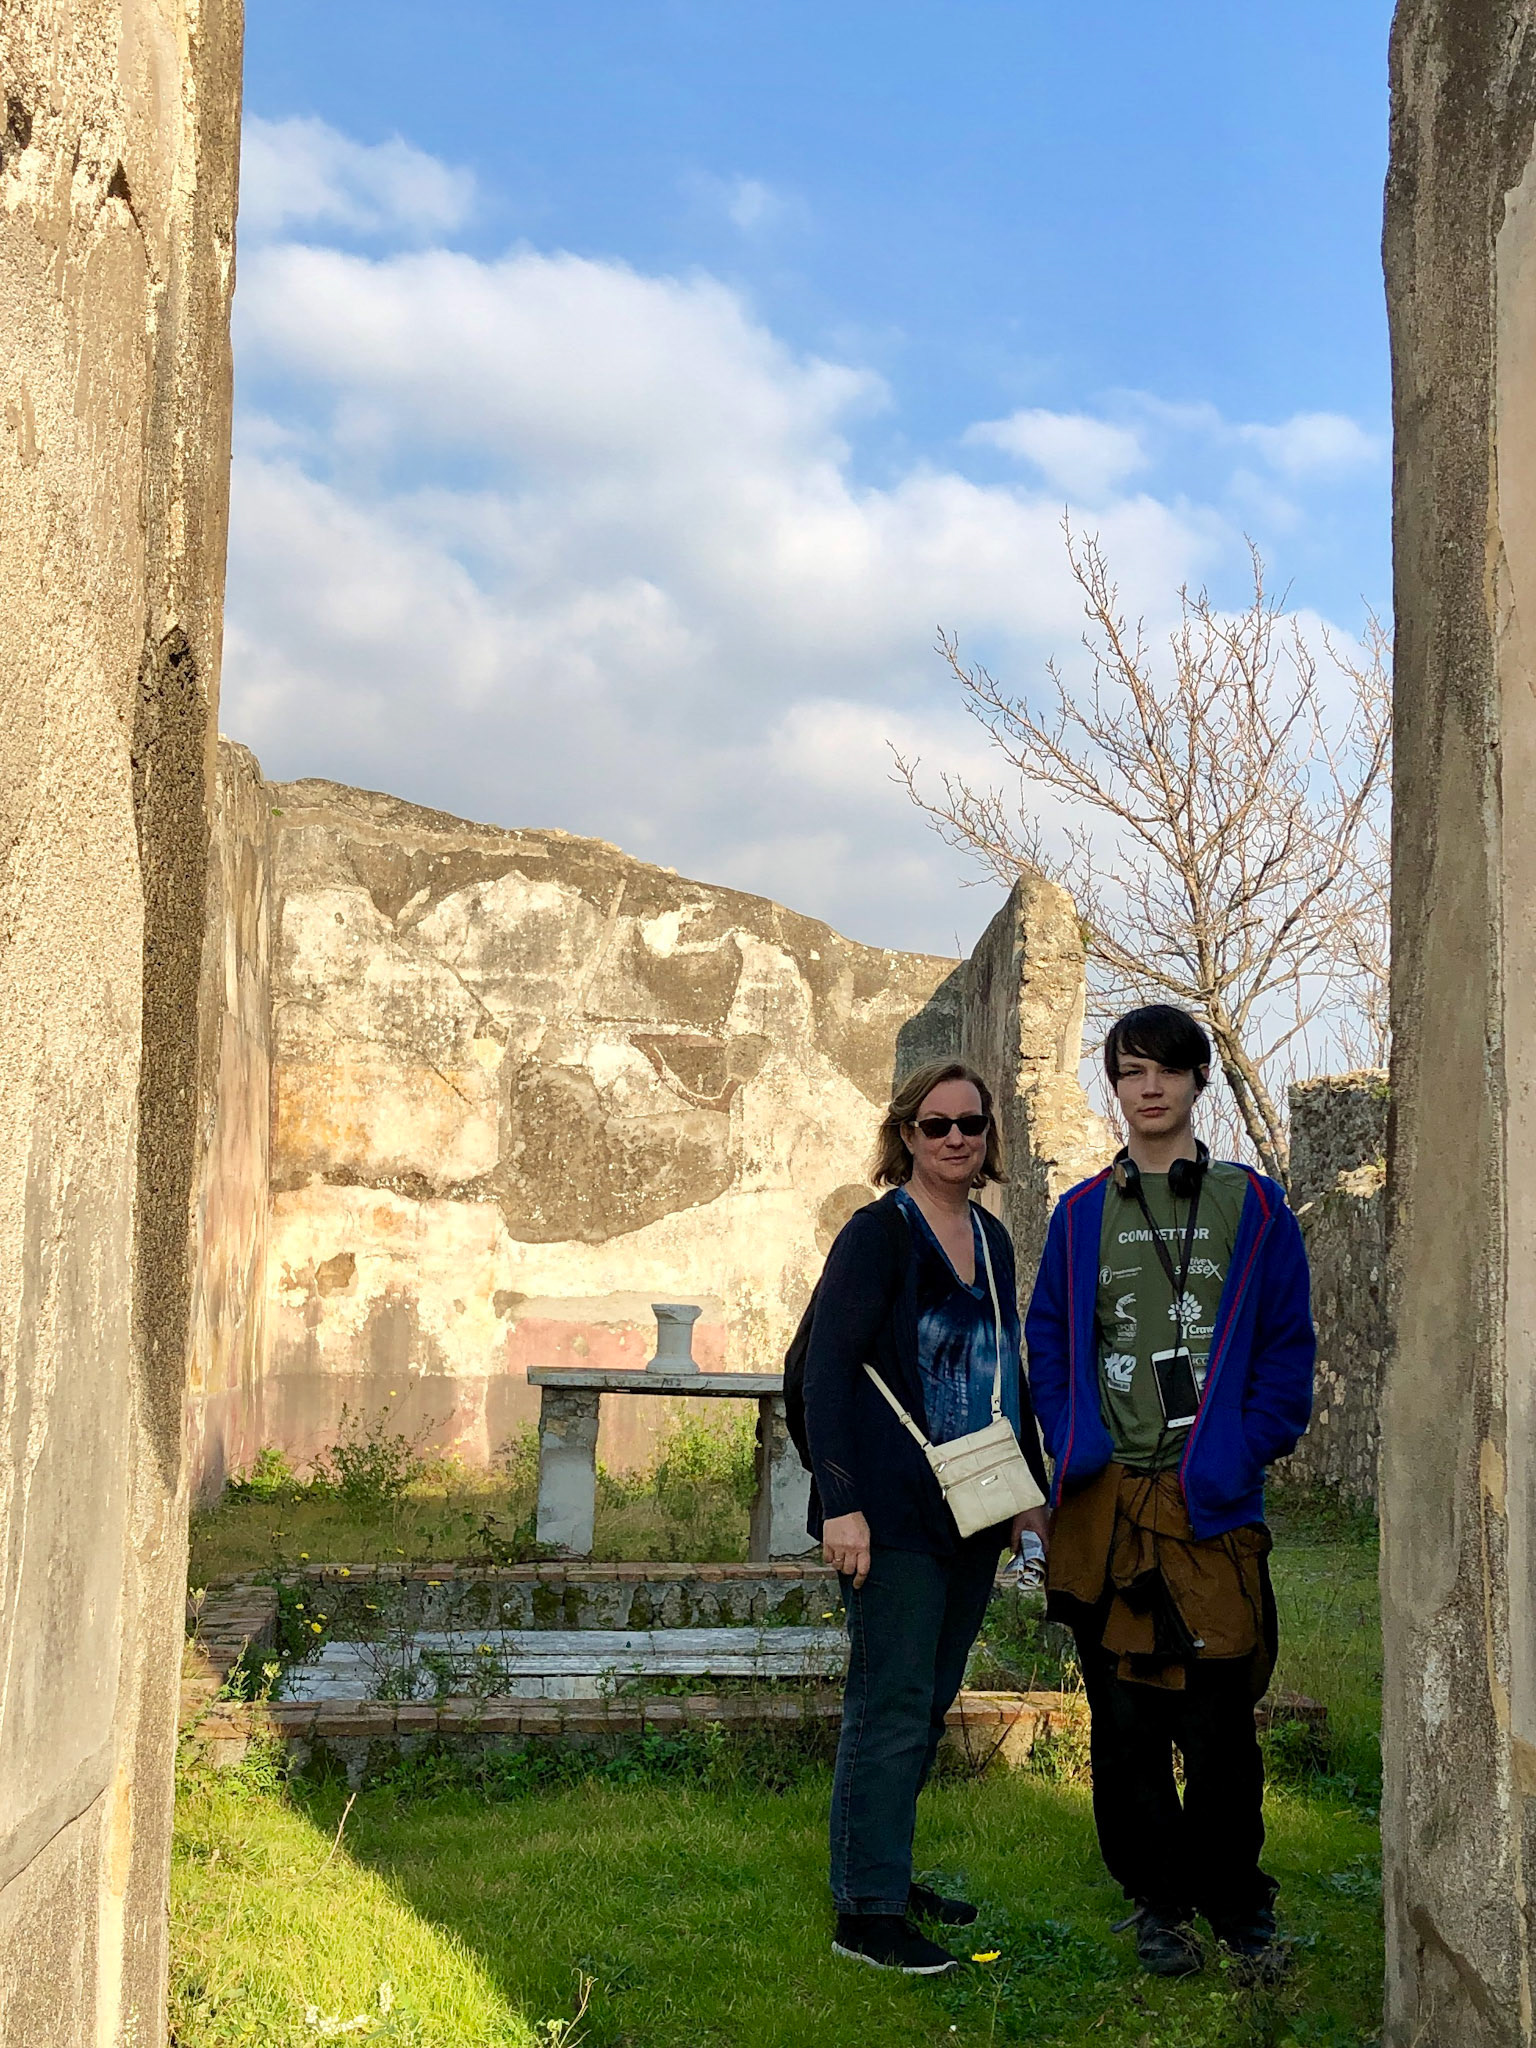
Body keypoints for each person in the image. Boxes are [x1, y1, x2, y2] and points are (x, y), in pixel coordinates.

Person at [1025, 1005, 1314, 1980]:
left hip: (1211, 1508)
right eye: (1132, 1070)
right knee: (1126, 1724)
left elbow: (1286, 1350)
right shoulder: (1078, 1216)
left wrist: (1237, 1453)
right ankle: (1157, 1901)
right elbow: (1051, 1346)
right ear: (1116, 1085)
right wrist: (1076, 1442)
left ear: (1197, 1081)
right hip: (1109, 1509)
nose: (1149, 1087)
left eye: (1167, 1069)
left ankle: (1238, 1904)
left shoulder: (1256, 1206)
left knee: (1221, 1721)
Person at [802, 1058, 1052, 1975]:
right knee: (891, 1700)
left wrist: (1030, 1501)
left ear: (990, 1140)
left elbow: (1006, 1372)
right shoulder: (877, 1235)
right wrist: (842, 1504)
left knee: (930, 1698)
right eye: (937, 1125)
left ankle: (885, 1871)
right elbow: (827, 1369)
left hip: (976, 1509)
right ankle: (864, 1914)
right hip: (892, 1512)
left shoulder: (992, 1238)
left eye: (972, 1126)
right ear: (906, 1135)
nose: (957, 1139)